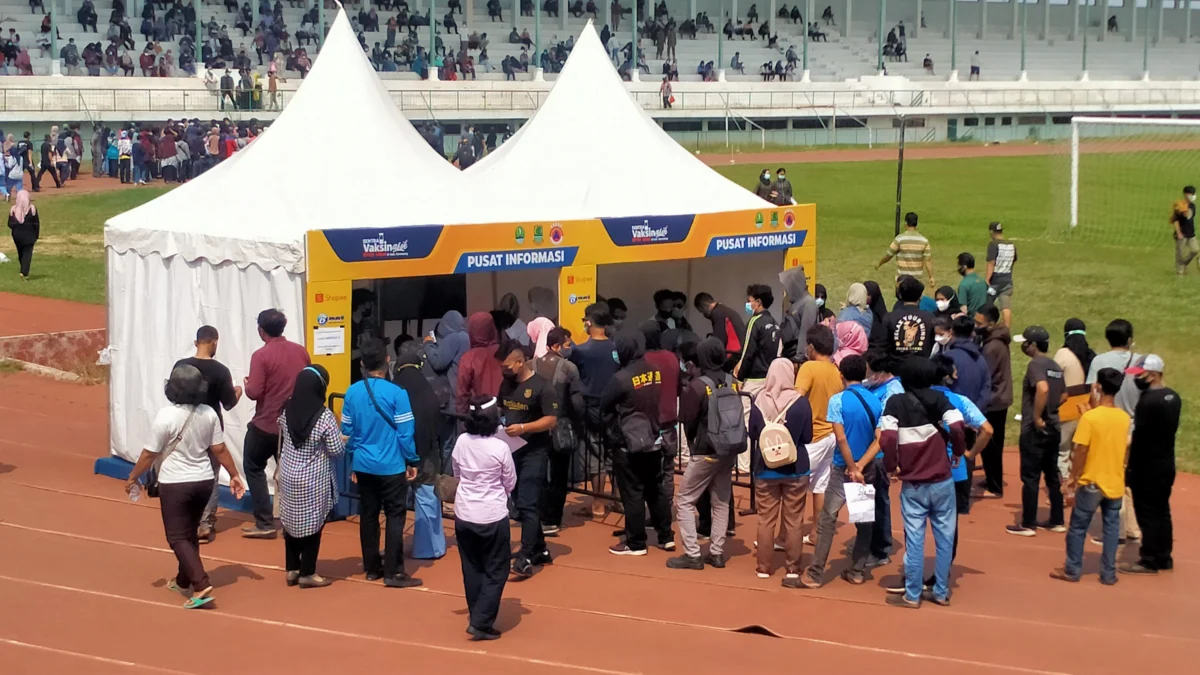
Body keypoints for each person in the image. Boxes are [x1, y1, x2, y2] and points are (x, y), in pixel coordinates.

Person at [123, 365, 247, 609]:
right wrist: (234, 475)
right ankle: (182, 580)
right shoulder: (209, 413)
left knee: (176, 537)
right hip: (203, 481)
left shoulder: (166, 416)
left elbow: (150, 453)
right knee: (189, 532)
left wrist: (133, 477)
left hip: (175, 483)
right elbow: (219, 449)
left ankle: (200, 584)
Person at [879, 361, 967, 609]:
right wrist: (957, 451)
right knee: (945, 537)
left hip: (913, 483)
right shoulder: (940, 399)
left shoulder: (895, 403)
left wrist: (891, 465)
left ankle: (912, 594)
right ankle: (940, 591)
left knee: (915, 539)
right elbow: (958, 428)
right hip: (942, 480)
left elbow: (887, 438)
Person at [341, 339, 422, 588]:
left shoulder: (352, 392)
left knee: (369, 514)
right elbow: (405, 433)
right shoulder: (397, 393)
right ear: (388, 361)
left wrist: (354, 459)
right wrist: (412, 459)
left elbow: (347, 430)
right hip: (392, 465)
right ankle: (394, 571)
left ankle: (372, 567)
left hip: (364, 465)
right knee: (396, 516)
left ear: (363, 364)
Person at [804, 355, 882, 587]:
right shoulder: (876, 400)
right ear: (865, 374)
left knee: (827, 520)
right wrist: (860, 467)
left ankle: (816, 573)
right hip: (866, 468)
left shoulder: (837, 401)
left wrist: (850, 467)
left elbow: (840, 437)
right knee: (863, 520)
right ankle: (857, 571)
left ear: (841, 375)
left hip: (842, 468)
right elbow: (879, 440)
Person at [1050, 368, 1128, 586]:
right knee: (1111, 529)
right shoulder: (1124, 418)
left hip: (1092, 481)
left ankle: (1072, 569)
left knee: (1078, 527)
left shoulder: (1090, 418)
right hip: (1114, 481)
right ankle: (1108, 573)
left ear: (1098, 387)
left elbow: (1081, 450)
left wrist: (1072, 478)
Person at [670, 337, 740, 571]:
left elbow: (687, 421)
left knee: (685, 500)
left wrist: (693, 442)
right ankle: (716, 553)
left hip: (705, 450)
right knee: (720, 501)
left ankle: (692, 554)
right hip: (729, 449)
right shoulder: (731, 382)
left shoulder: (698, 386)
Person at [452, 395, 517, 640]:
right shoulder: (500, 447)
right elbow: (510, 481)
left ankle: (477, 613)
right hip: (492, 515)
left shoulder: (461, 442)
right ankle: (481, 621)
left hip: (465, 513)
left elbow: (456, 471)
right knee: (497, 570)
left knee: (472, 567)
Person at [603, 331, 674, 556]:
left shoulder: (621, 378)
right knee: (655, 489)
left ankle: (636, 543)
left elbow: (604, 407)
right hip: (653, 437)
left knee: (633, 493)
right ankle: (665, 536)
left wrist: (613, 434)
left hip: (628, 442)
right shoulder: (654, 371)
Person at [241, 309, 310, 538]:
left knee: (253, 465)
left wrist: (248, 383)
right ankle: (298, 519)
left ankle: (264, 522)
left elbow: (254, 392)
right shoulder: (301, 352)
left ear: (261, 331)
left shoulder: (261, 355)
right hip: (294, 425)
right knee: (293, 471)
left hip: (267, 423)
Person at [173, 325, 242, 544]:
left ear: (196, 343)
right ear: (215, 342)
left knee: (183, 471)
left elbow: (172, 395)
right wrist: (239, 390)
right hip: (211, 428)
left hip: (183, 426)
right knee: (211, 475)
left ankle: (186, 520)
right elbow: (229, 403)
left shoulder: (181, 366)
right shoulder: (220, 371)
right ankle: (205, 523)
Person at [276, 365, 343, 588]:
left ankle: (292, 568)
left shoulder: (286, 409)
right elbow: (336, 451)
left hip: (287, 473)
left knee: (291, 523)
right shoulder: (324, 416)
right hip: (313, 479)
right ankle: (308, 573)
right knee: (313, 527)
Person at [499, 343, 559, 577]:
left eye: (507, 366)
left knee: (528, 503)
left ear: (520, 362)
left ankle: (525, 555)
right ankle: (540, 549)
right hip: (511, 452)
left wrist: (524, 427)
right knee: (520, 502)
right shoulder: (505, 384)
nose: (504, 370)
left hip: (535, 452)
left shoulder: (542, 387)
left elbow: (551, 419)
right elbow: (502, 409)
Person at [1120, 355, 1180, 575]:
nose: (1137, 379)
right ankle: (1164, 556)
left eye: (1140, 374)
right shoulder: (1173, 397)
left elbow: (1139, 438)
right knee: (1162, 511)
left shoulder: (1147, 401)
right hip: (1165, 464)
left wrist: (1130, 468)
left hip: (1146, 467)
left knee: (1147, 514)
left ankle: (1149, 559)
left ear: (1152, 374)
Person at [1006, 325, 1066, 537]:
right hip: (1054, 427)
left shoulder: (1035, 365)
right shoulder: (1056, 366)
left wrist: (1038, 415)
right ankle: (1057, 519)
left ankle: (1028, 523)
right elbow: (1063, 396)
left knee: (1030, 477)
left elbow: (1043, 388)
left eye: (1025, 342)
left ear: (1032, 345)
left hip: (1034, 430)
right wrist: (1051, 411)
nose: (1023, 346)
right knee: (1052, 475)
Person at [394, 341, 447, 561]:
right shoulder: (429, 394)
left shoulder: (394, 391)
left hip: (396, 455)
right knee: (427, 497)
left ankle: (392, 550)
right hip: (426, 454)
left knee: (394, 504)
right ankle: (430, 548)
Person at [569, 303, 621, 518]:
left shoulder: (581, 351)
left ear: (588, 322)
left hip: (591, 407)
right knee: (615, 453)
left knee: (594, 454)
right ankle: (618, 500)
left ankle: (598, 503)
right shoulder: (616, 349)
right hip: (615, 406)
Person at [534, 326, 584, 536]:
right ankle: (553, 517)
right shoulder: (569, 368)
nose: (570, 347)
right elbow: (577, 402)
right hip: (560, 426)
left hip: (534, 426)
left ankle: (539, 514)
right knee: (559, 473)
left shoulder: (531, 364)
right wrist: (580, 424)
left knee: (538, 471)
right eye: (567, 344)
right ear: (556, 346)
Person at [794, 324, 843, 541]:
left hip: (811, 437)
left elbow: (797, 399)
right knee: (820, 486)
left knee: (794, 488)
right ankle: (816, 533)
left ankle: (786, 536)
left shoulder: (808, 368)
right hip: (830, 436)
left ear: (812, 347)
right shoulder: (836, 370)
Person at [1053, 318, 1094, 483]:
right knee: (1080, 450)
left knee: (1062, 451)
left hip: (1065, 410)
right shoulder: (1092, 355)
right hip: (1087, 409)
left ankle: (1061, 488)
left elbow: (1053, 380)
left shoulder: (1063, 354)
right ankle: (1077, 483)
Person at [456, 312, 503, 415]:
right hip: (507, 410)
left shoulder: (468, 358)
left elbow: (462, 393)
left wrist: (462, 415)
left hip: (481, 414)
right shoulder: (504, 352)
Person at [879, 275, 935, 362]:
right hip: (923, 367)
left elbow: (882, 345)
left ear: (900, 295)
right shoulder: (930, 318)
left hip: (896, 368)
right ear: (920, 296)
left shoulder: (889, 317)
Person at [943, 316, 991, 411]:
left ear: (951, 331)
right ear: (972, 333)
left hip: (952, 418)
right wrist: (975, 415)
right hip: (976, 418)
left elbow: (940, 389)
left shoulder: (946, 358)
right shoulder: (980, 359)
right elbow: (986, 388)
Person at [694, 291, 747, 372]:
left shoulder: (717, 314)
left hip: (733, 355)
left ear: (704, 305)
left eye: (702, 311)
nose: (703, 314)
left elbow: (718, 341)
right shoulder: (723, 310)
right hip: (739, 352)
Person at [876, 212, 934, 285]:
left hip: (902, 279)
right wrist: (931, 277)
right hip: (917, 279)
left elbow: (888, 255)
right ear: (916, 224)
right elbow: (927, 260)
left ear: (905, 223)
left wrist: (879, 263)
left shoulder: (900, 239)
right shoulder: (924, 241)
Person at [777, 264, 816, 361]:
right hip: (788, 354)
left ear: (794, 285)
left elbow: (806, 332)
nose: (786, 290)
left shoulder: (808, 303)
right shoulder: (795, 303)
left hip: (798, 359)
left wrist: (800, 357)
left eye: (787, 287)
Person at [984, 221, 1017, 327]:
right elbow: (1013, 260)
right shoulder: (1011, 245)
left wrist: (987, 279)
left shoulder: (993, 245)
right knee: (1005, 305)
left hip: (995, 280)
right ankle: (1006, 328)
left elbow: (991, 263)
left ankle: (987, 324)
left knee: (987, 302)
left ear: (991, 232)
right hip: (1007, 279)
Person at [7, 190, 39, 280]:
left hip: (17, 236)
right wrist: (36, 235)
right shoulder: (32, 209)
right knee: (27, 253)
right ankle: (24, 272)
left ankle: (23, 270)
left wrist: (17, 223)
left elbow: (9, 224)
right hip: (30, 235)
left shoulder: (13, 209)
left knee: (21, 253)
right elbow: (36, 223)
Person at [1171, 185, 1197, 275]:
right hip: (1181, 233)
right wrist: (1178, 233)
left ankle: (1184, 263)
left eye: (1193, 194)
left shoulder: (1192, 206)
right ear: (1185, 194)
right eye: (1190, 193)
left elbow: (1188, 216)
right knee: (1180, 253)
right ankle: (1180, 270)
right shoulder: (1178, 206)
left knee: (1195, 250)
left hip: (1191, 233)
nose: (1192, 195)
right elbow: (1175, 221)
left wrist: (1184, 210)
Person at [955, 253, 988, 318]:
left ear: (964, 266)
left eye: (959, 265)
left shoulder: (963, 285)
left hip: (972, 321)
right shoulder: (982, 281)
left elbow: (963, 309)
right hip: (984, 319)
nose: (958, 268)